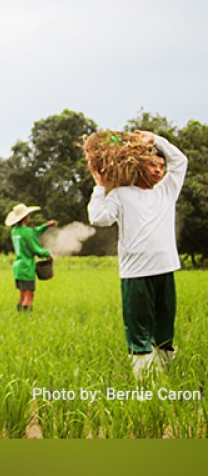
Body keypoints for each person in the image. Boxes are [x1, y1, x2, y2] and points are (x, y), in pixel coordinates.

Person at [87, 130, 187, 379]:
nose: (159, 171)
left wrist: (155, 139)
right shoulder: (121, 194)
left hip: (165, 267)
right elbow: (99, 218)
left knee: (164, 327)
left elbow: (180, 161)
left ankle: (165, 377)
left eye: (162, 166)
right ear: (139, 166)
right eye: (153, 165)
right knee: (138, 329)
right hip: (136, 273)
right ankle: (144, 381)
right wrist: (100, 186)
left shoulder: (167, 191)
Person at [4, 204, 57, 313]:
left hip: (18, 267)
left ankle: (19, 317)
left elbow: (33, 233)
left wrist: (45, 226)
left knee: (22, 294)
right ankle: (26, 318)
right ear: (26, 217)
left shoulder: (15, 231)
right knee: (29, 295)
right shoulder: (27, 232)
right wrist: (48, 254)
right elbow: (35, 249)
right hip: (26, 268)